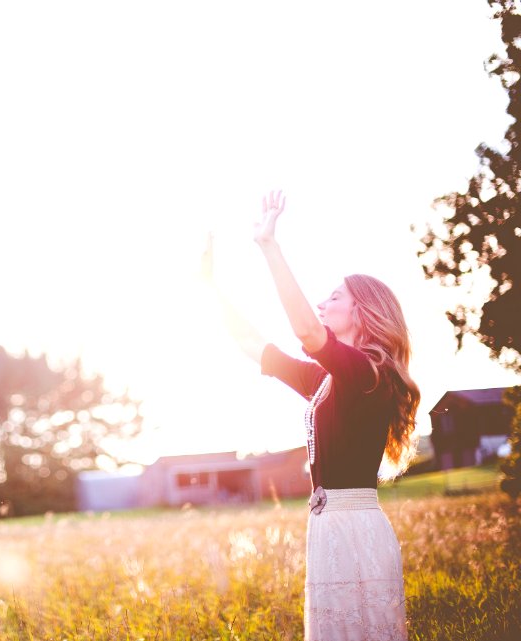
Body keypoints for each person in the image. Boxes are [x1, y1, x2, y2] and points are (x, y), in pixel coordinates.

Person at [204, 190, 419, 640]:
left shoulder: (368, 373)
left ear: (363, 311)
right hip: (328, 529)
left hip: (356, 531)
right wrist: (211, 289)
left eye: (334, 297)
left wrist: (270, 246)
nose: (323, 303)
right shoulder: (330, 380)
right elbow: (254, 347)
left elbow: (306, 329)